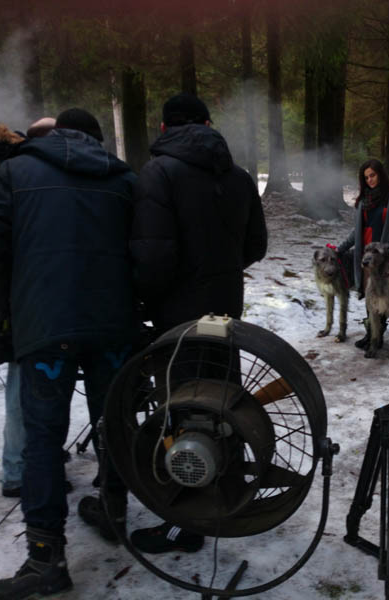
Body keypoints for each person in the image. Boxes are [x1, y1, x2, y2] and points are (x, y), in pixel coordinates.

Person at [0, 108, 139, 600]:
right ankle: (113, 509)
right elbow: (147, 250)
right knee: (115, 423)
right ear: (94, 139)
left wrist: (10, 310)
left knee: (43, 440)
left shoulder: (15, 172)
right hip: (113, 326)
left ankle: (45, 559)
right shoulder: (122, 178)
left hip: (44, 326)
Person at [113, 92, 267, 554]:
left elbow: (153, 255)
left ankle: (186, 517)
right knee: (225, 402)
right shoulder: (238, 177)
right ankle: (227, 490)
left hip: (177, 317)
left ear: (164, 129)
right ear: (207, 123)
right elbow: (255, 246)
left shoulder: (158, 173)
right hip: (226, 308)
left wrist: (150, 297)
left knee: (178, 408)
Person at [0, 118, 68, 499]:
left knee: (35, 389)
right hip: (21, 307)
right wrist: (5, 307)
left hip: (29, 303)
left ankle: (34, 461)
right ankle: (18, 471)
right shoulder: (12, 181)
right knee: (25, 390)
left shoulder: (16, 177)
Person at [337, 158, 389, 349]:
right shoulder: (364, 201)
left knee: (388, 295)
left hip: (384, 258)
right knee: (371, 297)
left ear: (381, 175)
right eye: (366, 177)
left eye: (373, 175)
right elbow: (357, 231)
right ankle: (372, 334)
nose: (369, 180)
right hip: (366, 257)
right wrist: (341, 248)